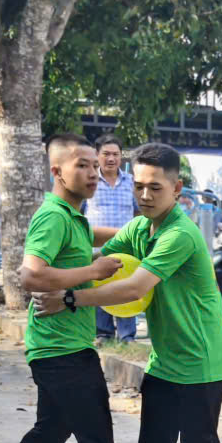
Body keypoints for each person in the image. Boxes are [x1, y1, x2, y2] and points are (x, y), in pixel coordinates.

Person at [34, 142, 222, 443]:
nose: (144, 195)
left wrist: (68, 298)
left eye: (155, 188)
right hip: (164, 363)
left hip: (201, 365)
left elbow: (133, 287)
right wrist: (48, 265)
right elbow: (100, 259)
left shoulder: (180, 234)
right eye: (139, 186)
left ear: (177, 189)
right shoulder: (141, 229)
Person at [0, 135, 125, 443]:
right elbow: (31, 275)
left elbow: (96, 237)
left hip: (60, 347)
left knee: (47, 436)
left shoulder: (74, 218)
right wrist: (93, 270)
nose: (92, 172)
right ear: (57, 172)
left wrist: (139, 231)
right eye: (81, 164)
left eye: (94, 165)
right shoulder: (53, 216)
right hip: (62, 351)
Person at [84, 132, 138, 344]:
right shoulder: (89, 182)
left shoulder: (131, 183)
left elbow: (139, 212)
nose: (111, 158)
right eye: (106, 154)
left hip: (126, 248)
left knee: (126, 288)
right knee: (100, 289)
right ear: (97, 155)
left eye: (115, 154)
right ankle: (103, 334)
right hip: (98, 249)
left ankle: (127, 336)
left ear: (121, 156)